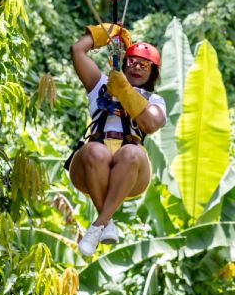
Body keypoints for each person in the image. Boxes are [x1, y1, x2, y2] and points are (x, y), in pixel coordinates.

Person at [68, 23, 166, 257]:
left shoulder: (155, 99)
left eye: (144, 65)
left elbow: (151, 124)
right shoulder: (101, 85)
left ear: (152, 72)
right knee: (95, 151)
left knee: (131, 153)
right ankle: (103, 224)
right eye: (132, 62)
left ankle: (98, 224)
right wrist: (107, 32)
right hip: (93, 161)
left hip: (130, 167)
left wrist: (124, 90)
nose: (137, 68)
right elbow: (77, 51)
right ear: (124, 62)